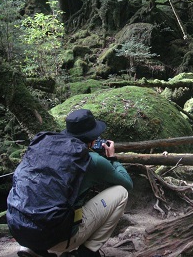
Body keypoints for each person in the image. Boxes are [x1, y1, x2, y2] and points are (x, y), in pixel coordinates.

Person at [9, 109, 133, 257]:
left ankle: (32, 248)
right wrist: (112, 158)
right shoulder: (91, 160)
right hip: (60, 238)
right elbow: (127, 183)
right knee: (121, 192)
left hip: (20, 230)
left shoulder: (42, 148)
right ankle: (88, 251)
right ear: (93, 139)